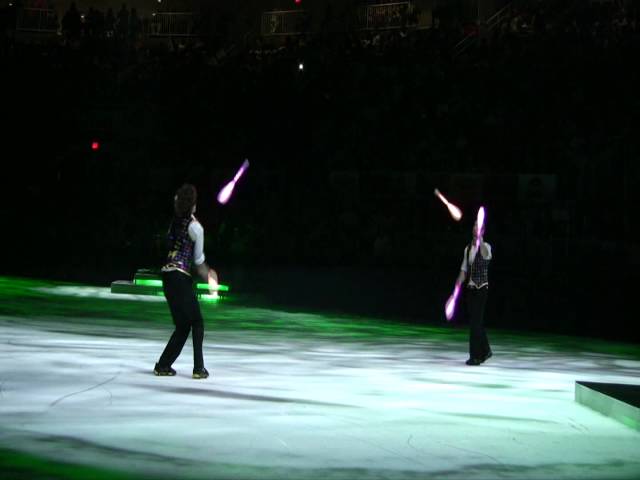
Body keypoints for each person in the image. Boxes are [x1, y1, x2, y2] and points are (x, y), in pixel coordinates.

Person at [154, 184, 217, 379]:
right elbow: (198, 262)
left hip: (167, 276)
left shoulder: (173, 223)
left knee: (183, 325)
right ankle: (199, 368)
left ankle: (163, 365)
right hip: (180, 278)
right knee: (196, 321)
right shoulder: (196, 227)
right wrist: (209, 273)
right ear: (193, 204)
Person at [454, 220, 492, 366]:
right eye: (474, 225)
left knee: (476, 322)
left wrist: (480, 240)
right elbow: (464, 270)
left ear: (482, 231)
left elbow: (485, 254)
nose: (475, 227)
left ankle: (475, 356)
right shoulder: (467, 249)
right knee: (475, 322)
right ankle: (486, 350)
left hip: (482, 288)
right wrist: (458, 283)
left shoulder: (486, 246)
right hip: (470, 289)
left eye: (479, 226)